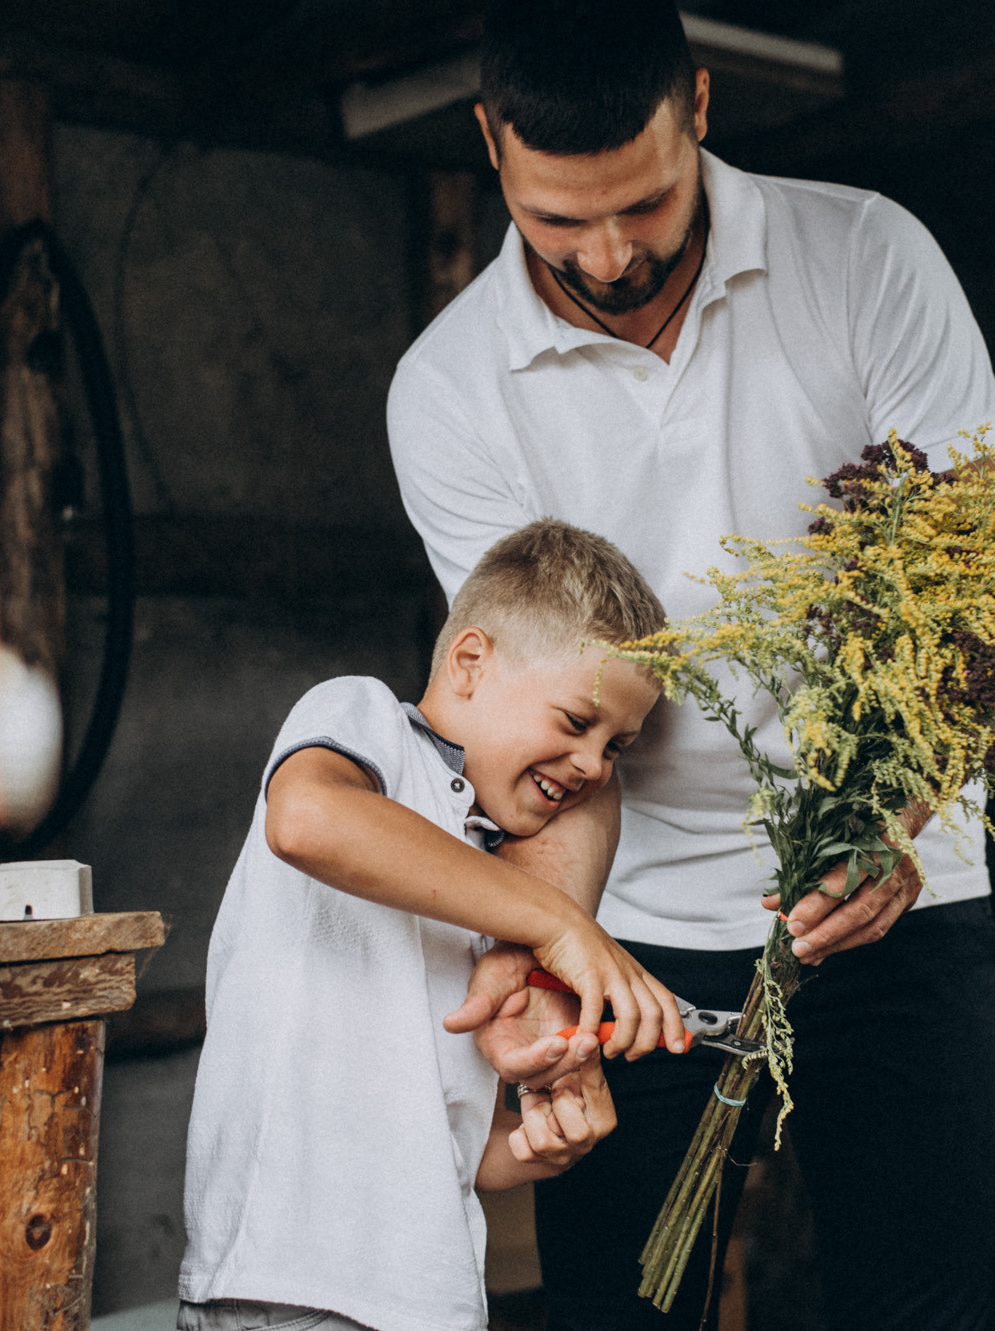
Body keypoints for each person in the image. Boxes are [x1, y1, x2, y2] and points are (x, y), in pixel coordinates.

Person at [388, 3, 995, 1327]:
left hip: (902, 886)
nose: (609, 255)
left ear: (702, 110)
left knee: (927, 1304)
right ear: (490, 143)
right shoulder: (447, 391)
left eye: (646, 204)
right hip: (633, 925)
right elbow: (543, 739)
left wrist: (884, 816)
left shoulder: (868, 258)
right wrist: (551, 936)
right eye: (560, 222)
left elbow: (978, 596)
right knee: (618, 1307)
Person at [177, 520, 690, 1331]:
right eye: (574, 721)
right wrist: (558, 921)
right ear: (470, 662)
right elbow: (305, 818)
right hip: (293, 1288)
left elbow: (449, 1145)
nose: (594, 764)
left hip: (426, 1298)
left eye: (617, 746)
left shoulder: (486, 868)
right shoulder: (365, 719)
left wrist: (536, 1143)